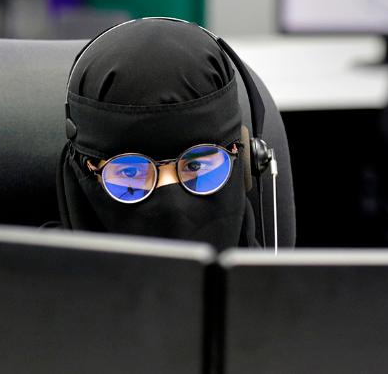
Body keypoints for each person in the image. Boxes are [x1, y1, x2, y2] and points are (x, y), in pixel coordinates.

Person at [57, 18, 266, 250]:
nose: (173, 208)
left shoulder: (275, 284)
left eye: (196, 167)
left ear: (244, 158)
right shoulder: (31, 281)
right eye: (131, 172)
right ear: (84, 171)